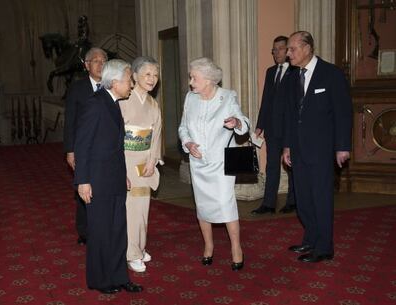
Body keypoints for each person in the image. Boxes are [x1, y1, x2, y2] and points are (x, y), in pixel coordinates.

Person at [282, 31, 352, 263]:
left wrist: (342, 147)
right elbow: (291, 116)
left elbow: (343, 113)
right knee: (303, 199)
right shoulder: (292, 77)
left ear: (307, 48)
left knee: (321, 198)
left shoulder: (331, 74)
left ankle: (324, 247)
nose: (287, 54)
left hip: (322, 149)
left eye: (292, 49)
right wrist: (287, 146)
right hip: (298, 149)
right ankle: (311, 239)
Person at [74, 59, 142, 294]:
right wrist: (82, 181)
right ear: (114, 82)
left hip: (113, 179)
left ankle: (119, 276)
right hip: (96, 180)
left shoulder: (113, 103)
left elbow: (116, 146)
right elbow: (82, 145)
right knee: (101, 232)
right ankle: (100, 280)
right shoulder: (95, 104)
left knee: (117, 230)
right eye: (128, 80)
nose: (131, 85)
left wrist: (122, 174)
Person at [178, 57, 249, 271]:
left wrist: (236, 123)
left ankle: (236, 247)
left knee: (226, 204)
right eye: (191, 77)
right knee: (203, 206)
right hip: (198, 163)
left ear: (208, 79)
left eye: (194, 78)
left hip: (220, 163)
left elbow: (244, 123)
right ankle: (208, 246)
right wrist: (187, 142)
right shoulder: (190, 98)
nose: (191, 82)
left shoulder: (227, 97)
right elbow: (183, 127)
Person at [120, 56, 162, 272]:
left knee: (143, 207)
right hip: (126, 161)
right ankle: (132, 252)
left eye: (155, 75)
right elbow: (115, 137)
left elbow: (156, 136)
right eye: (147, 74)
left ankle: (139, 247)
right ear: (134, 76)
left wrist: (153, 159)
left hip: (145, 163)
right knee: (132, 209)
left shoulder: (153, 105)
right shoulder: (124, 101)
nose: (152, 79)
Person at [64, 47, 107, 246]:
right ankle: (84, 231)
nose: (100, 64)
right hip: (84, 149)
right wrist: (70, 150)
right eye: (95, 61)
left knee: (105, 188)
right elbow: (70, 121)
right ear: (87, 65)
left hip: (106, 149)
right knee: (84, 188)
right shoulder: (77, 88)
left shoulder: (112, 86)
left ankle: (103, 228)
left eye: (103, 60)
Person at [251, 36, 297, 215]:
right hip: (272, 128)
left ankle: (293, 201)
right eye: (274, 49)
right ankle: (268, 204)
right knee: (271, 166)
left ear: (288, 50)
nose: (276, 53)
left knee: (291, 166)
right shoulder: (271, 72)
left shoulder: (295, 71)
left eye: (280, 48)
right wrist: (260, 125)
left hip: (289, 129)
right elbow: (266, 101)